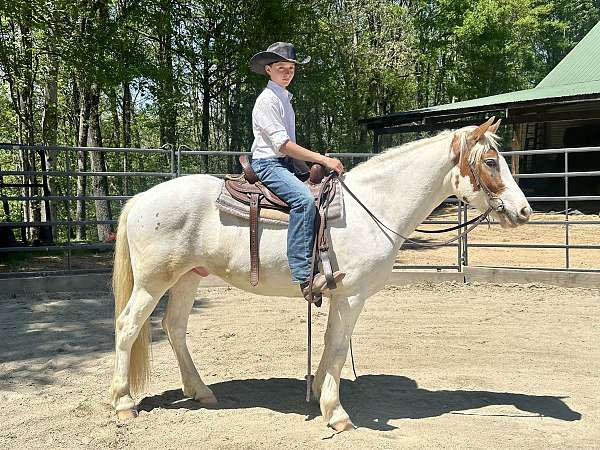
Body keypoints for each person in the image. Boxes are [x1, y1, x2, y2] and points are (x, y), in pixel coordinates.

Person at [248, 42, 345, 302]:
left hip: (284, 163)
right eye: (281, 68)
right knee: (303, 201)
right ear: (268, 70)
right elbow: (283, 145)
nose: (287, 73)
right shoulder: (267, 101)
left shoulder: (284, 98)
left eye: (291, 68)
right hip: (268, 163)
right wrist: (323, 158)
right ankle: (305, 276)